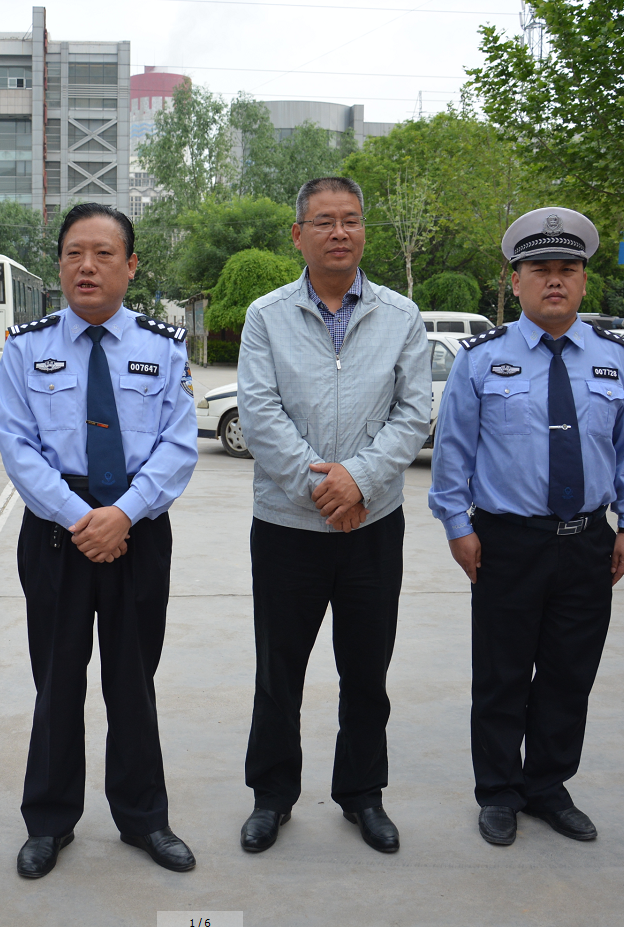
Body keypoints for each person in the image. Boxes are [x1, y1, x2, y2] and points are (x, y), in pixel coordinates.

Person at [429, 207, 624, 847]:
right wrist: (456, 525)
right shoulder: (481, 362)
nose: (555, 281)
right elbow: (454, 453)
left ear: (583, 281)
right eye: (541, 270)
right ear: (517, 281)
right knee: (501, 673)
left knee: (568, 672)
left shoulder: (614, 362)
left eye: (567, 270)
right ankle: (498, 791)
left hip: (589, 540)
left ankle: (548, 786)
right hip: (507, 541)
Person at [0, 202, 199, 878]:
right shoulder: (27, 346)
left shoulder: (163, 349)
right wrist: (80, 516)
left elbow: (177, 445)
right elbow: (16, 444)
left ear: (130, 265)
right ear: (58, 265)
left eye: (103, 253)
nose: (87, 265)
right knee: (55, 682)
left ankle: (143, 819)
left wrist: (125, 513)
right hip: (57, 534)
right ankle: (49, 821)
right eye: (74, 252)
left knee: (132, 682)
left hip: (137, 531)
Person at [236, 177, 431, 855]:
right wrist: (322, 487)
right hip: (287, 528)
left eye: (350, 220)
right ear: (297, 234)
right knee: (277, 670)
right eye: (323, 221)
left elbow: (414, 412)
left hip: (372, 527)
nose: (338, 232)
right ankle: (271, 795)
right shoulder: (266, 315)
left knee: (365, 670)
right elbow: (259, 413)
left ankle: (362, 794)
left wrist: (361, 482)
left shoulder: (401, 315)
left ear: (363, 232)